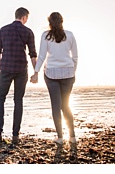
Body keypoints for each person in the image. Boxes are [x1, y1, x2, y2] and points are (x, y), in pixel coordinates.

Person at [30, 12, 78, 150]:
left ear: (50, 22)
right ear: (62, 21)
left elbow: (42, 56)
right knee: (66, 105)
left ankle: (60, 138)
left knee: (56, 106)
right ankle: (72, 137)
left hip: (51, 74)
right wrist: (73, 71)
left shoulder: (46, 35)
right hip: (68, 73)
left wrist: (36, 73)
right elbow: (75, 56)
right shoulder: (70, 35)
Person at [0, 7, 37, 144]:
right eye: (27, 19)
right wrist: (36, 72)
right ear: (24, 17)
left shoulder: (3, 30)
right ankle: (15, 136)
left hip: (5, 68)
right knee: (18, 100)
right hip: (21, 70)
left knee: (0, 99)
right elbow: (33, 54)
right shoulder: (28, 31)